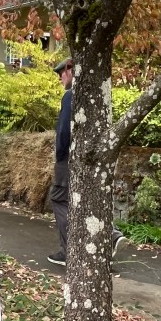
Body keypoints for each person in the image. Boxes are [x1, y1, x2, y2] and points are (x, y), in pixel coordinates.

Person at [48, 57, 127, 267]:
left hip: (71, 160)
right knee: (88, 200)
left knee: (59, 199)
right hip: (95, 160)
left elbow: (64, 131)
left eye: (60, 74)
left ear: (69, 70)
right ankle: (111, 236)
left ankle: (68, 252)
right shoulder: (97, 95)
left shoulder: (71, 95)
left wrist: (60, 154)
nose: (60, 79)